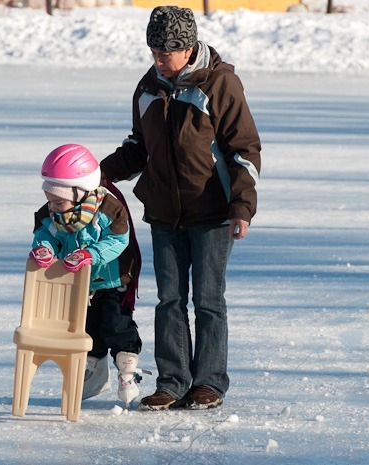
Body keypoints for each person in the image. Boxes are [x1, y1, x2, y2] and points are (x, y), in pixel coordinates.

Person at [100, 6, 261, 411]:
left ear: (188, 48)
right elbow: (139, 147)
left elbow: (243, 151)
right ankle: (172, 382)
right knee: (169, 299)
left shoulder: (220, 84)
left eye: (166, 52)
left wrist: (242, 206)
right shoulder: (148, 87)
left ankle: (208, 382)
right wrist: (96, 174)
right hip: (164, 213)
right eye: (153, 50)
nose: (158, 59)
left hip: (212, 213)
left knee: (208, 300)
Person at [30, 143, 146, 405]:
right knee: (87, 329)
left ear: (81, 192)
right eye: (51, 201)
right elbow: (45, 236)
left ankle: (127, 371)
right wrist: (44, 250)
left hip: (114, 282)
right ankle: (95, 372)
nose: (54, 208)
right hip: (83, 285)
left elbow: (118, 241)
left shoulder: (109, 210)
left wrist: (89, 254)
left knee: (116, 325)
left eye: (59, 201)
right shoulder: (53, 214)